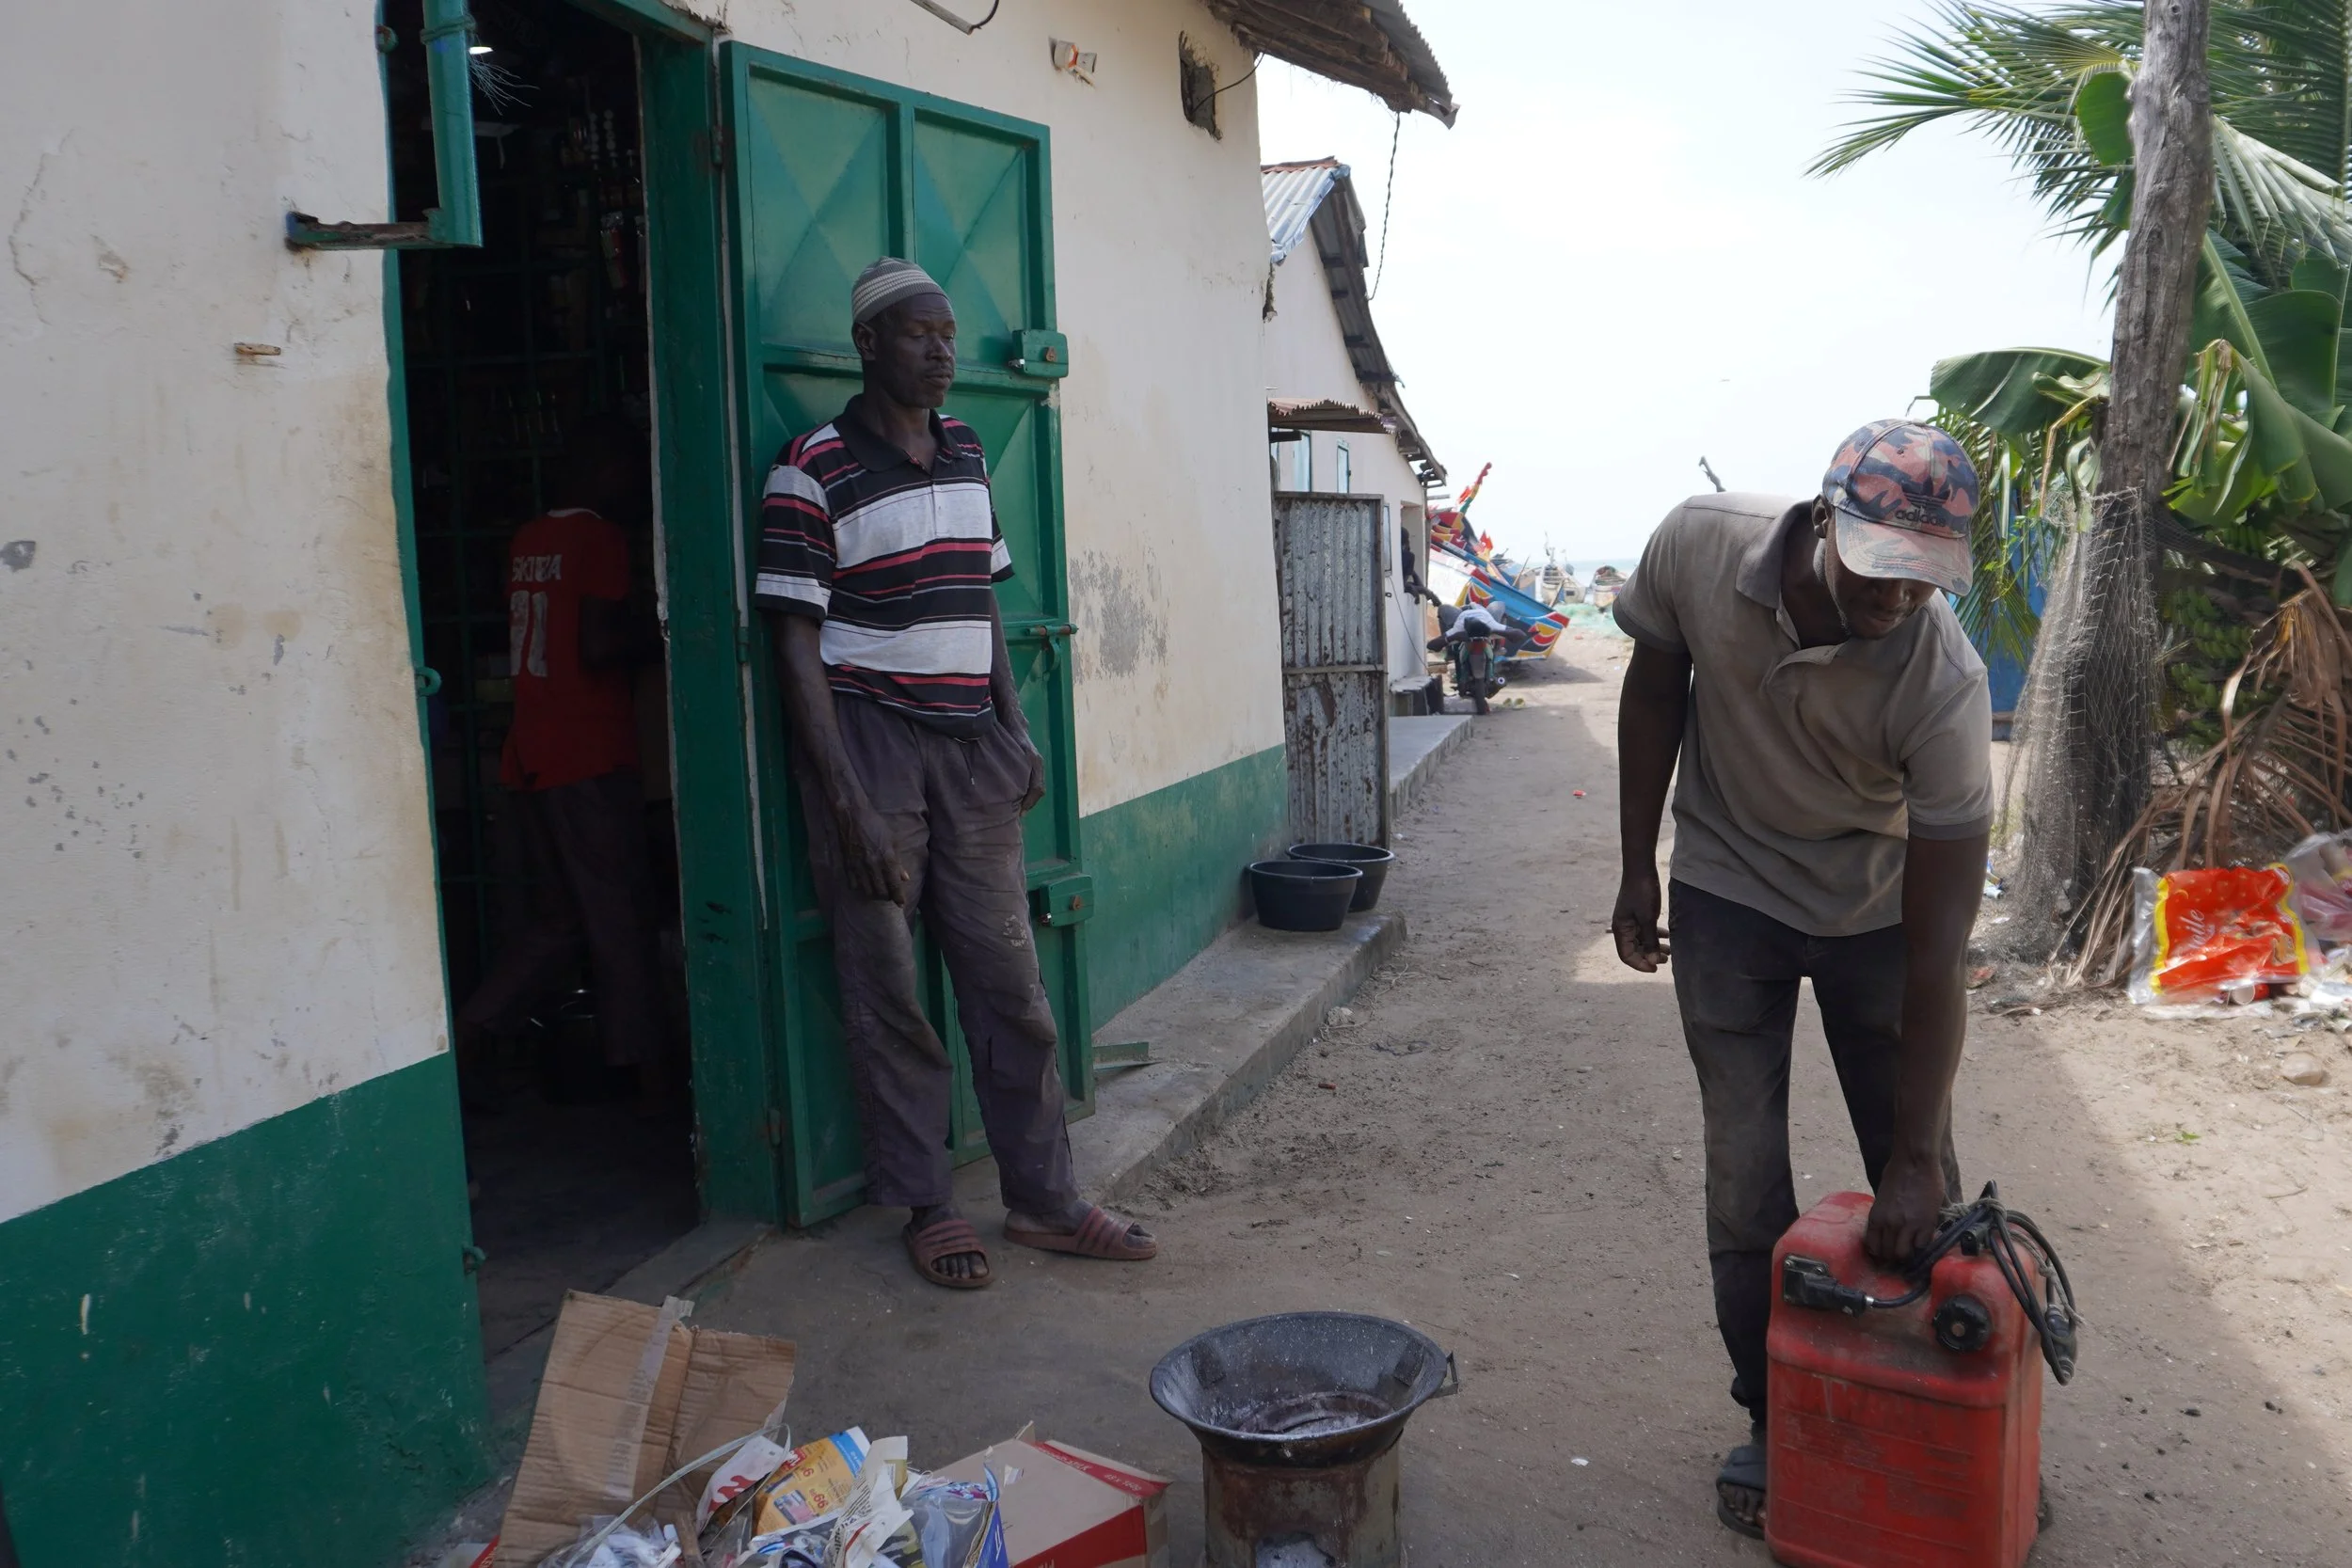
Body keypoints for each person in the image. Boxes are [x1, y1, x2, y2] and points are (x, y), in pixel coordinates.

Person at [1608, 420, 1990, 1538]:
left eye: (1926, 581)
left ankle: (1954, 1402)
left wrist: (1914, 1158)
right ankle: (1775, 1416)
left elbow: (1938, 948)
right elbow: (1651, 687)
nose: (1898, 600)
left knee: (1919, 1184)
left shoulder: (1942, 679)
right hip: (1730, 889)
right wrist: (1638, 865)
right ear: (1825, 521)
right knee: (1743, 1178)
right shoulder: (1695, 544)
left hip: (1878, 910)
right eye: (1881, 570)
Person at [755, 257, 1157, 1290]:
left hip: (971, 743)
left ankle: (1045, 1199)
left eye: (948, 333)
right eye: (918, 334)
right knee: (888, 985)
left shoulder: (967, 452)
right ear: (869, 346)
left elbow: (983, 600)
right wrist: (841, 797)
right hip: (870, 742)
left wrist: (1014, 725)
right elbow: (794, 642)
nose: (942, 352)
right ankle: (928, 1201)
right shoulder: (811, 468)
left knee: (1010, 983)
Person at [457, 414, 673, 1109]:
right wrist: (671, 631)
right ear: (603, 471)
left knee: (559, 918)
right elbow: (599, 645)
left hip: (530, 752)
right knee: (621, 921)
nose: (639, 485)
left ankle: (470, 1029)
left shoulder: (531, 538)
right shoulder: (598, 537)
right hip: (589, 754)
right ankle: (649, 1076)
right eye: (631, 469)